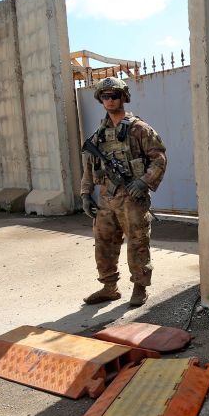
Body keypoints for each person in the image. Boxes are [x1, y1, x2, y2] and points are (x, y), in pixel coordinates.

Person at [80, 77, 167, 307]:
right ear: (100, 99)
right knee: (104, 243)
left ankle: (139, 287)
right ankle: (109, 287)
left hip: (132, 199)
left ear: (123, 97)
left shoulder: (139, 129)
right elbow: (90, 165)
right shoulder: (99, 133)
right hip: (106, 198)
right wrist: (85, 194)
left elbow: (159, 159)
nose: (110, 100)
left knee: (138, 242)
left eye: (114, 95)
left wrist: (144, 182)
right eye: (105, 96)